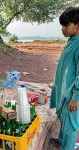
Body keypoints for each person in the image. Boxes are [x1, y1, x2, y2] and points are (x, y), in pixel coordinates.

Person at [50, 7, 79, 150]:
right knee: (63, 119)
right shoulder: (71, 41)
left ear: (77, 25)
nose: (62, 29)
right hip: (64, 92)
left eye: (66, 25)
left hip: (72, 95)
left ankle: (67, 147)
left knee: (71, 126)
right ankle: (62, 141)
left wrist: (76, 97)